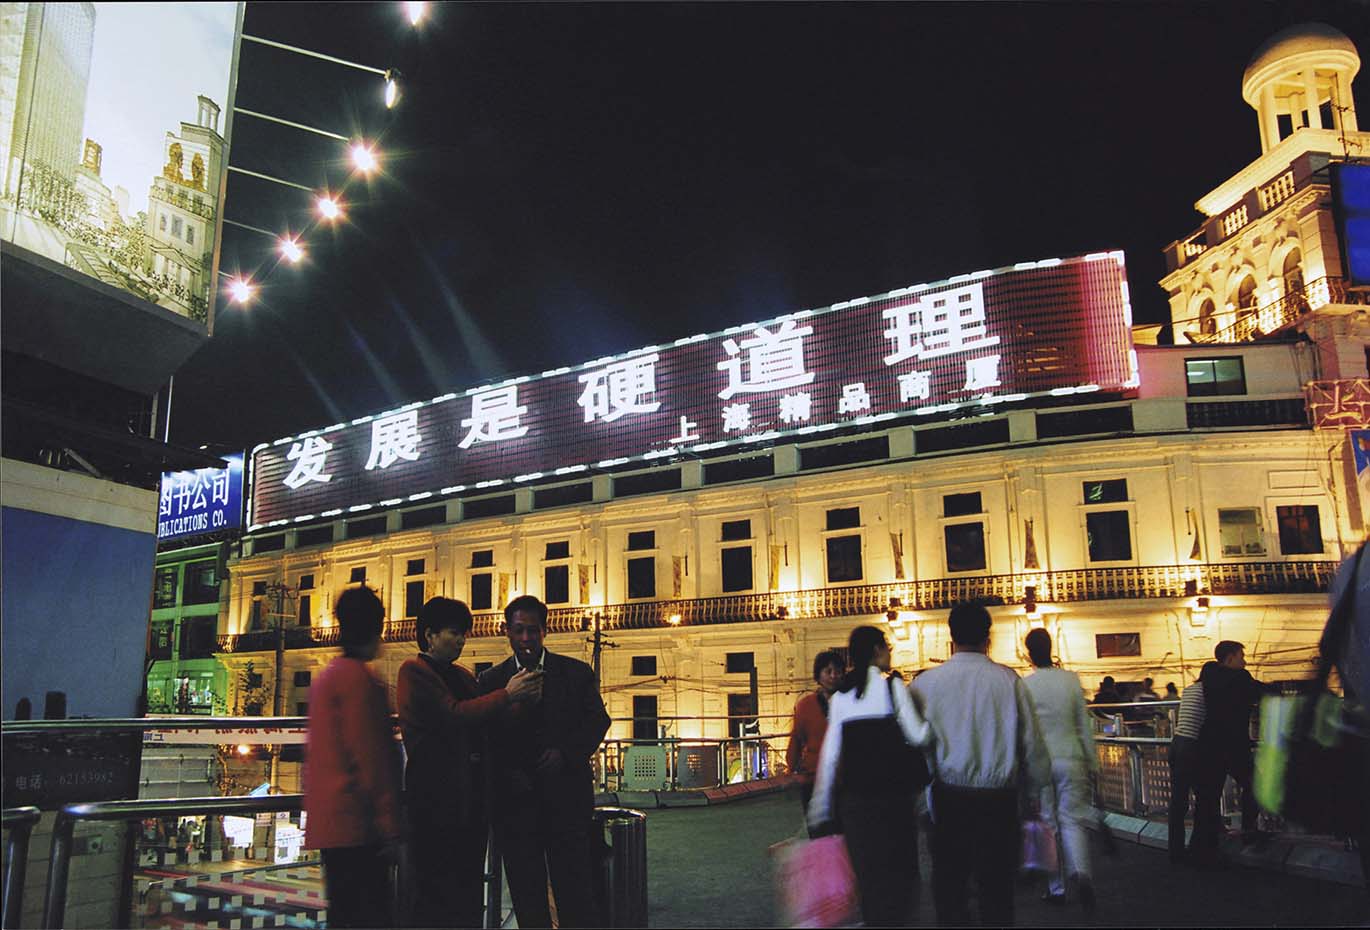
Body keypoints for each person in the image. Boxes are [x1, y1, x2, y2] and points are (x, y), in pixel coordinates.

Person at [397, 597, 543, 928]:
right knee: (437, 891)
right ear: (429, 635)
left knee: (467, 890)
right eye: (453, 632)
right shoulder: (414, 672)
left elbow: (487, 719)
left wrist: (523, 700)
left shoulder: (461, 675)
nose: (462, 640)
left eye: (464, 632)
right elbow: (454, 715)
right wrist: (509, 694)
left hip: (470, 802)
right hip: (435, 801)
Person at [911, 603, 1049, 927]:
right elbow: (1032, 745)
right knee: (997, 889)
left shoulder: (926, 684)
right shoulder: (1009, 681)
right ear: (988, 636)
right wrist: (1034, 794)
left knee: (950, 885)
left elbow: (915, 747)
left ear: (951, 635)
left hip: (949, 798)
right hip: (998, 800)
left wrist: (922, 801)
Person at [478, 595, 610, 928]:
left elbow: (598, 720)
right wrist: (509, 773)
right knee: (527, 897)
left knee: (576, 892)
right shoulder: (492, 681)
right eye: (519, 630)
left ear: (545, 631)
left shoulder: (576, 673)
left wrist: (565, 752)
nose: (526, 639)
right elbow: (486, 738)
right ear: (506, 631)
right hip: (516, 807)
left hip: (566, 802)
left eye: (532, 631)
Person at [807, 627, 931, 927]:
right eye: (886, 646)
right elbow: (918, 736)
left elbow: (830, 756)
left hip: (855, 803)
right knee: (899, 873)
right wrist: (934, 724)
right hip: (893, 800)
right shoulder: (892, 688)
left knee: (868, 876)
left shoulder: (841, 698)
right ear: (877, 651)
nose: (889, 652)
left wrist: (820, 805)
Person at [303, 586, 403, 929]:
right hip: (359, 827)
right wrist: (390, 826)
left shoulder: (325, 678)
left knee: (344, 916)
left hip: (329, 826)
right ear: (377, 628)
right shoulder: (361, 681)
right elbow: (372, 761)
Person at [1021, 628, 1097, 911]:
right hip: (1072, 757)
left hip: (1042, 761)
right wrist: (1093, 762)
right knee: (1072, 820)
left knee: (1048, 823)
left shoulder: (1026, 685)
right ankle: (1082, 873)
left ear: (1028, 652)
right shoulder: (1071, 680)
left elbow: (1026, 731)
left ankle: (1056, 888)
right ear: (1051, 647)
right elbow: (1083, 724)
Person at [1192, 640, 1266, 862]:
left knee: (1207, 798)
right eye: (1241, 656)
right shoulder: (1240, 678)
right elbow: (1262, 691)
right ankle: (1249, 831)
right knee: (1255, 785)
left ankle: (1201, 850)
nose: (1245, 661)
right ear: (1231, 657)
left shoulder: (1210, 677)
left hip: (1208, 744)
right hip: (1234, 745)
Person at [786, 649, 844, 809]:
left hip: (844, 780)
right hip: (814, 779)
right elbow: (796, 739)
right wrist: (791, 770)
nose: (833, 676)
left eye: (838, 672)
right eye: (828, 671)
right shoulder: (805, 706)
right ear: (818, 675)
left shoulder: (849, 703)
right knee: (820, 832)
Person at [1167, 677, 1206, 864]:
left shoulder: (1189, 690)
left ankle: (1175, 850)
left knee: (1178, 800)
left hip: (1177, 743)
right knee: (1204, 797)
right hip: (1192, 746)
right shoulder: (1210, 691)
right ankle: (1199, 848)